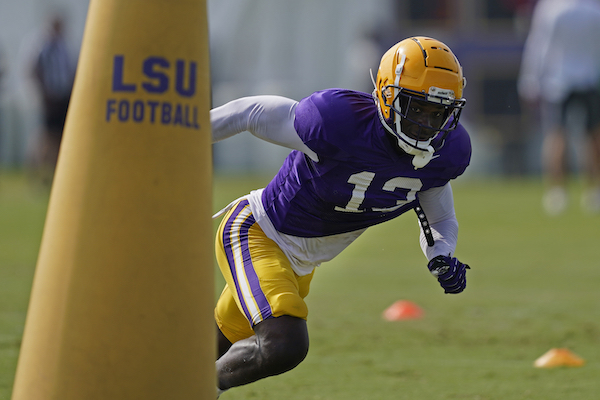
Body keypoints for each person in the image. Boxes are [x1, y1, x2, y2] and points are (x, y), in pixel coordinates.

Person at [211, 36, 472, 397]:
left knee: (211, 345)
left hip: (301, 264)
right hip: (259, 232)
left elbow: (438, 215)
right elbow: (251, 113)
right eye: (416, 108)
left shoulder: (446, 154)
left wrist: (441, 255)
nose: (426, 124)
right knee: (283, 344)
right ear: (386, 94)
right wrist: (183, 134)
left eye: (437, 113)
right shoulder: (339, 123)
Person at [518, 0, 600, 215]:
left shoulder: (551, 7)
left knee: (560, 135)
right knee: (586, 135)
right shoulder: (591, 8)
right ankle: (587, 191)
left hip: (563, 79)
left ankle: (559, 192)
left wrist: (530, 79)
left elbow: (538, 44)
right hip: (582, 78)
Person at [31, 15, 75, 183]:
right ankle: (39, 171)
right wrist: (43, 92)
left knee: (59, 135)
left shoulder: (64, 45)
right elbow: (34, 69)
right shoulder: (43, 45)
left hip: (63, 96)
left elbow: (70, 69)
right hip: (50, 97)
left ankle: (54, 172)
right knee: (48, 135)